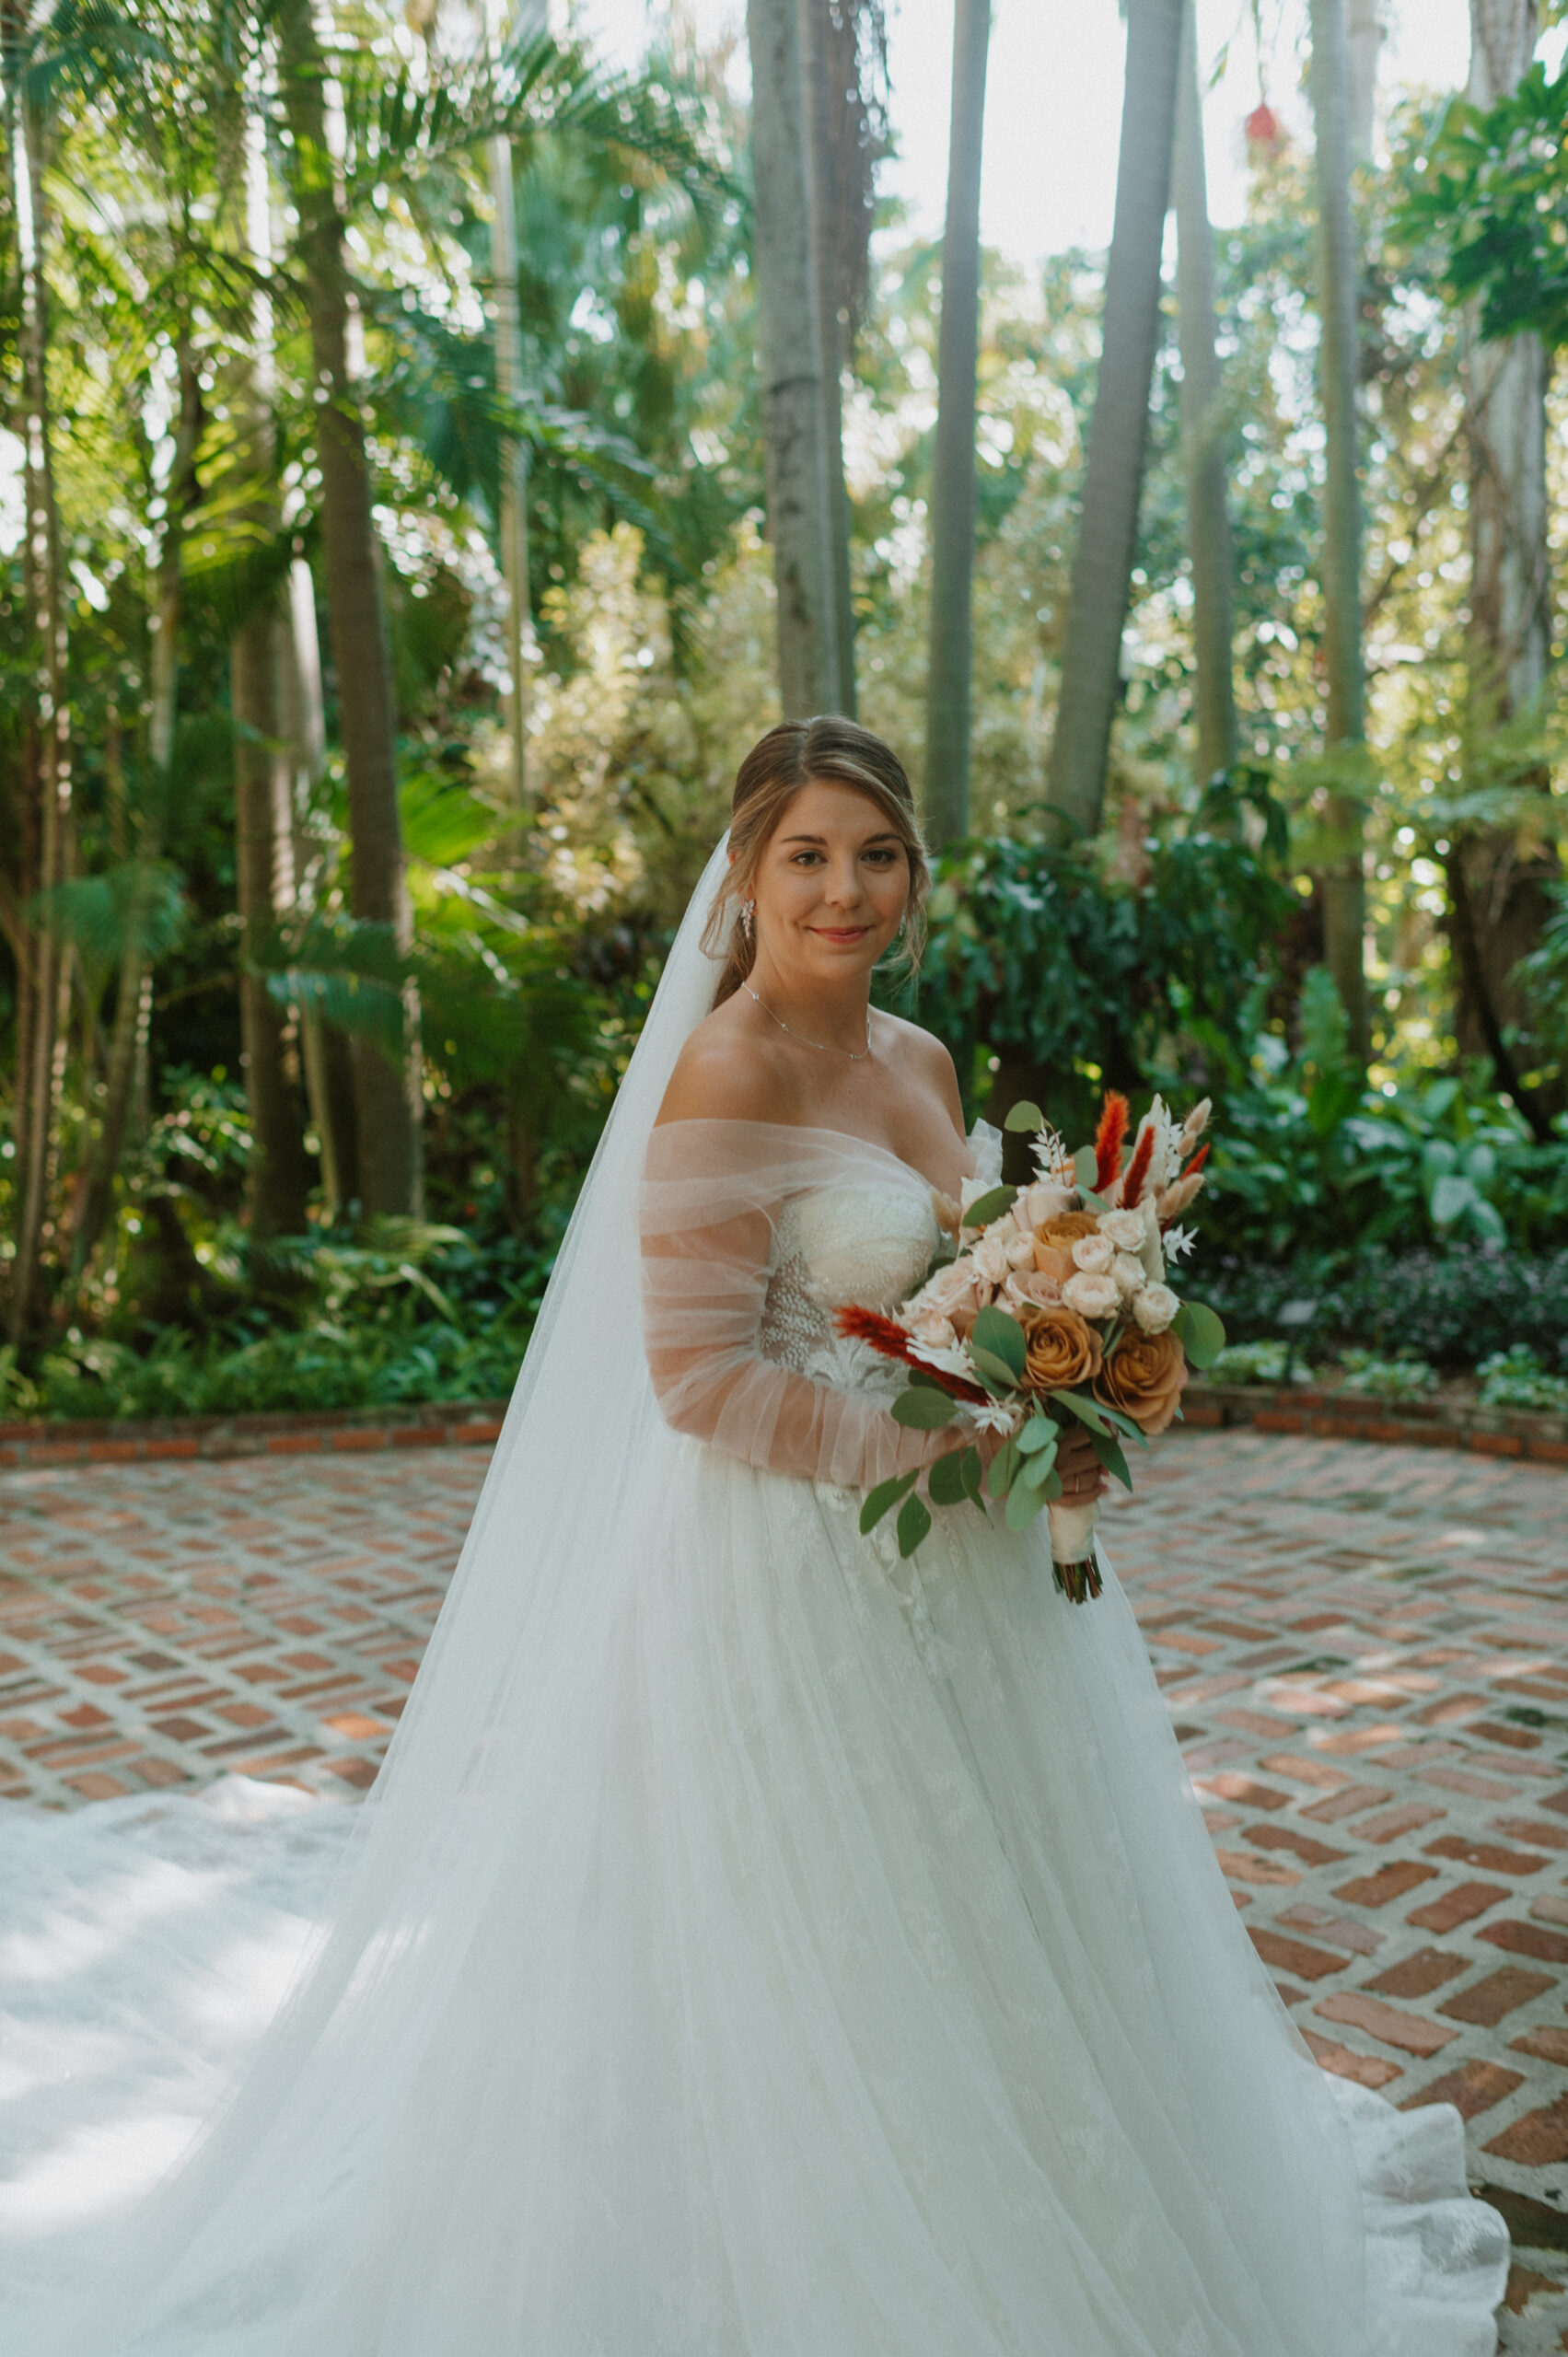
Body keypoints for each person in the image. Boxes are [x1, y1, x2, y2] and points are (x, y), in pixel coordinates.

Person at [2, 718, 1507, 2355]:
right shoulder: (727, 1066)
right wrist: (936, 1445)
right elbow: (698, 1377)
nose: (844, 889)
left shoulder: (923, 1060)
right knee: (826, 1938)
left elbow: (961, 1285)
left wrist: (1066, 1366)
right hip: (788, 1561)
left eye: (875, 855)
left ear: (914, 878)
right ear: (745, 874)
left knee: (1002, 1899)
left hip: (963, 1544)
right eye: (808, 855)